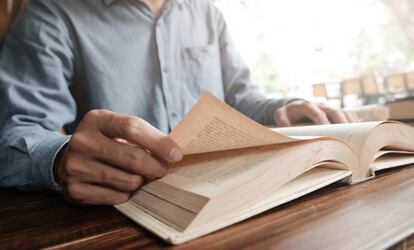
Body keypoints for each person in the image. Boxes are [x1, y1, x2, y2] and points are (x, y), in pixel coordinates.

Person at [0, 0, 357, 205]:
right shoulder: (51, 13)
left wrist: (284, 107)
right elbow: (14, 133)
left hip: (227, 197)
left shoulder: (206, 13)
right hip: (122, 211)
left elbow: (238, 97)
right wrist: (60, 158)